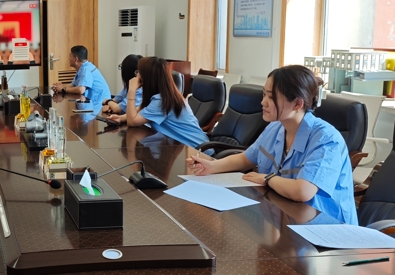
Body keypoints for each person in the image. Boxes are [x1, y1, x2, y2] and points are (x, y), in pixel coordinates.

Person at [188, 65, 358, 225]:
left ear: (297, 104)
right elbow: (246, 158)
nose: (263, 102)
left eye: (271, 97)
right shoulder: (275, 127)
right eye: (264, 95)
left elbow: (302, 191)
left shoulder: (326, 139)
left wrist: (268, 179)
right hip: (288, 217)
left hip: (328, 229)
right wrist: (212, 166)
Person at [109, 56, 208, 148]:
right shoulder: (161, 95)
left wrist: (132, 90)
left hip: (197, 150)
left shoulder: (162, 100)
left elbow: (132, 122)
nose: (137, 76)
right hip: (179, 146)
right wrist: (121, 118)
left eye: (139, 72)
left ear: (148, 77)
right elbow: (140, 110)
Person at [52, 45, 111, 113]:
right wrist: (59, 86)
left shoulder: (86, 69)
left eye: (70, 56)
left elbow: (80, 90)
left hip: (100, 106)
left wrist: (63, 89)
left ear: (76, 59)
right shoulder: (82, 68)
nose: (68, 58)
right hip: (92, 103)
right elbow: (74, 84)